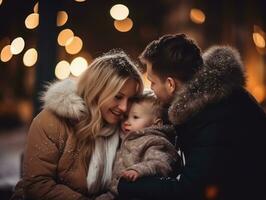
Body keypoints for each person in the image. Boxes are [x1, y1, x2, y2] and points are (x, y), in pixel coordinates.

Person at [118, 34, 266, 200]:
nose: (151, 89)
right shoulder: (211, 100)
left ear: (170, 84)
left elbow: (189, 191)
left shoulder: (215, 115)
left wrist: (124, 185)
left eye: (152, 82)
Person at [10, 50, 144, 200]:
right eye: (118, 96)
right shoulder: (53, 120)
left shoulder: (126, 129)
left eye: (130, 99)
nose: (124, 107)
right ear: (97, 89)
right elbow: (37, 184)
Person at [96, 91, 181, 200]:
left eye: (135, 117)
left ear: (156, 123)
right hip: (114, 193)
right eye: (125, 116)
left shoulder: (154, 141)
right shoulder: (126, 137)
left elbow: (161, 162)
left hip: (137, 193)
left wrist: (138, 170)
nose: (127, 122)